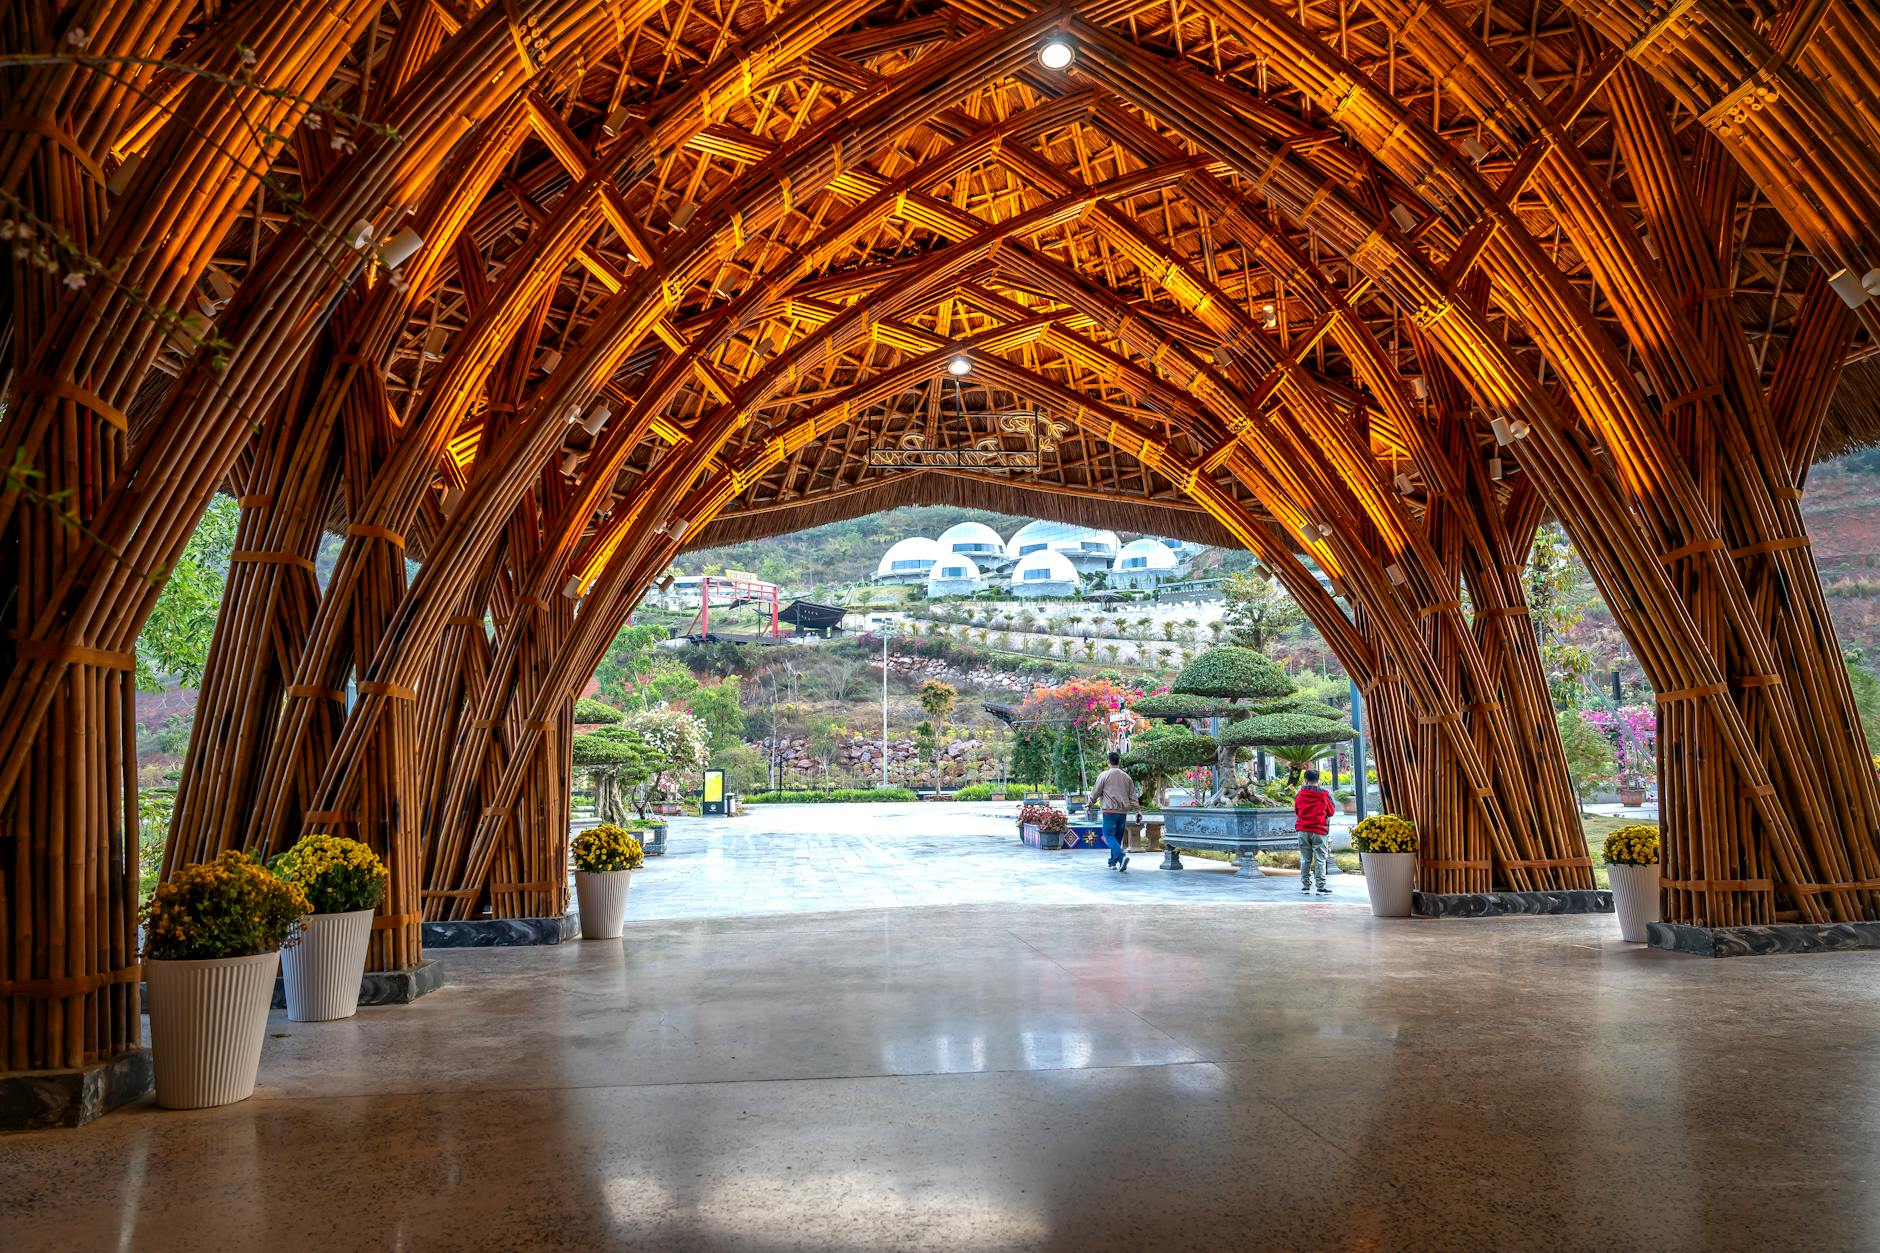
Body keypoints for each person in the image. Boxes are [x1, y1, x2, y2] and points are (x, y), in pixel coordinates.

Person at [1091, 750, 1140, 873]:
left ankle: (1121, 857)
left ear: (1108, 762)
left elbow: (1096, 792)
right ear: (1119, 761)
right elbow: (1133, 796)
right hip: (1122, 812)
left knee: (1108, 836)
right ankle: (1112, 862)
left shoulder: (1104, 775)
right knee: (1117, 838)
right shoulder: (1127, 777)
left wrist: (1089, 803)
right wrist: (1137, 810)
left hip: (1109, 811)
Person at [1293, 768, 1335, 894]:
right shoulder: (1324, 794)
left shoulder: (1300, 794)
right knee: (1320, 859)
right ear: (1318, 779)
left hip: (1302, 830)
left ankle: (1305, 886)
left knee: (1305, 859)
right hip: (1319, 830)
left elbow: (1297, 811)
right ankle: (1320, 887)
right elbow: (1331, 812)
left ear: (1305, 780)